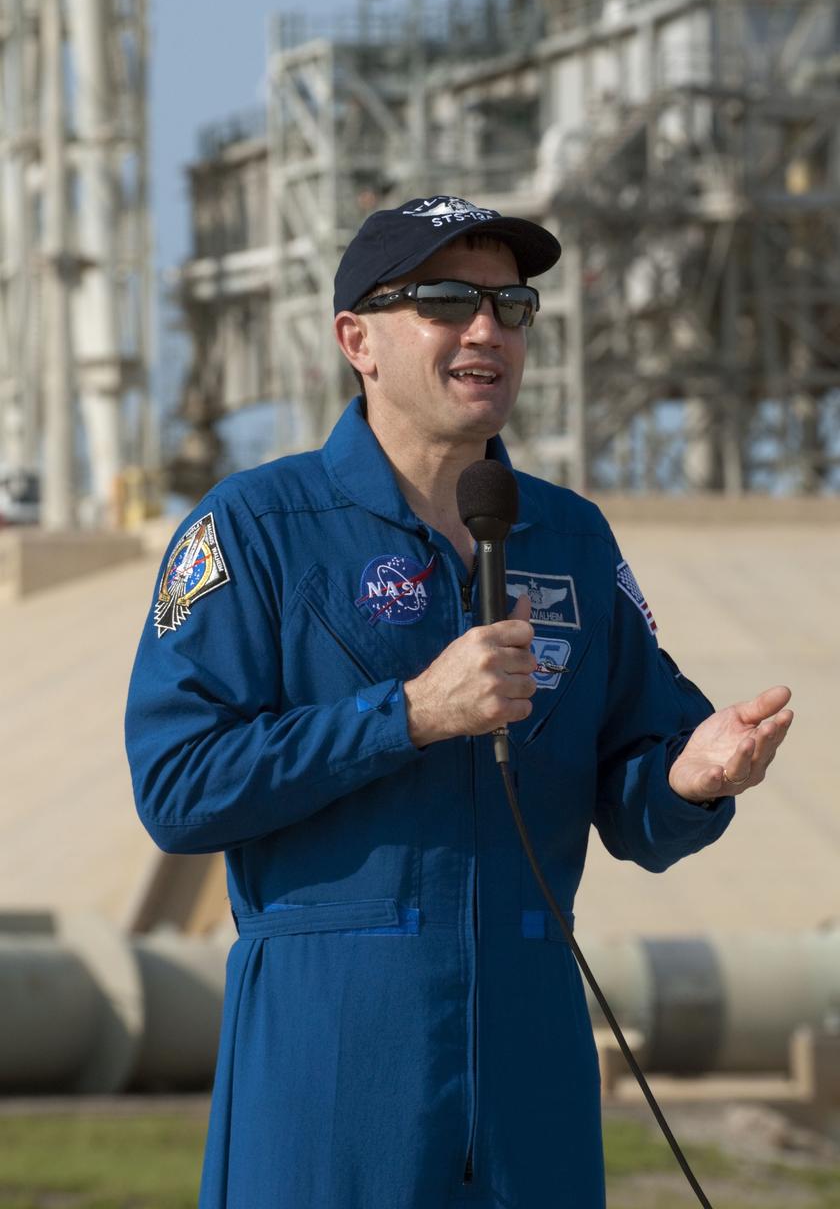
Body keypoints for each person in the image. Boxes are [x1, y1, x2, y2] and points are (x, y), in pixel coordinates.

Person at [126, 194, 793, 1209]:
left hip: (533, 1049)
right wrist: (407, 715)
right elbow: (177, 786)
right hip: (334, 1047)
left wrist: (690, 779)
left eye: (510, 306)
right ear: (358, 338)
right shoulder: (256, 529)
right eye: (444, 301)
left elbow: (640, 806)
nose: (486, 329)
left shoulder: (570, 537)